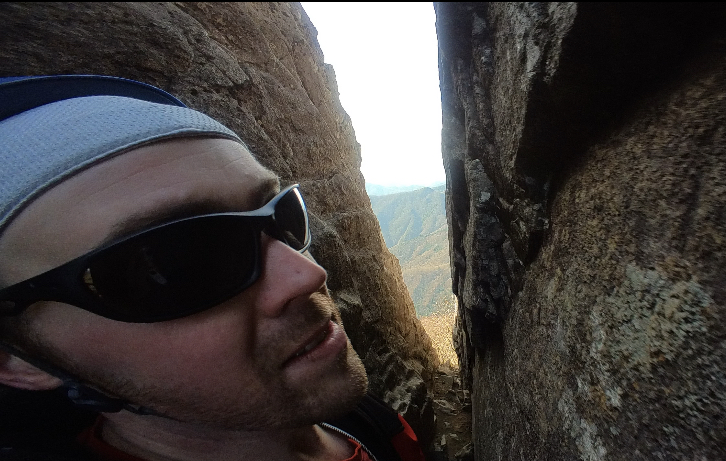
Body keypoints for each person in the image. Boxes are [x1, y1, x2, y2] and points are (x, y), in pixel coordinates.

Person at [0, 75, 425, 461]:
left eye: (283, 215)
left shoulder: (360, 419)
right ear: (18, 360)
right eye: (181, 260)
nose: (307, 275)